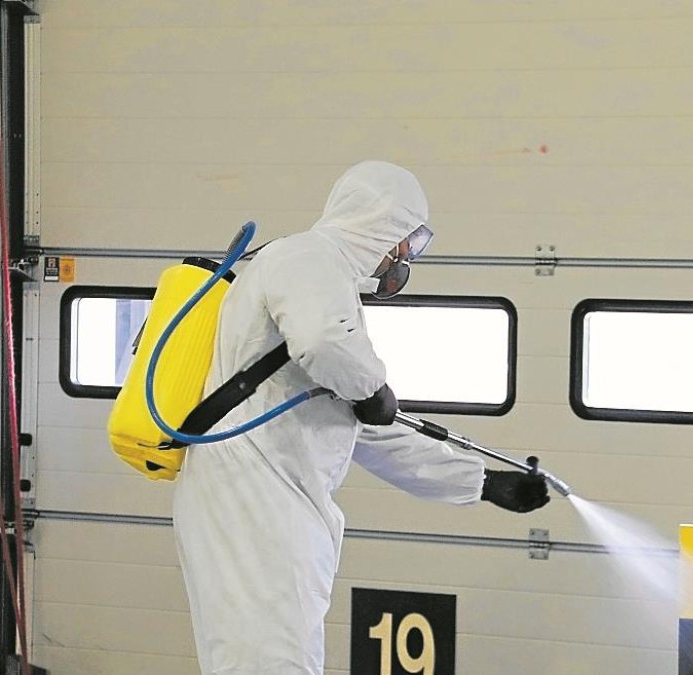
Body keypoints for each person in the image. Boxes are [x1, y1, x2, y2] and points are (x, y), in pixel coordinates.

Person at [172, 160, 550, 675]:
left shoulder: (327, 289)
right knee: (270, 664)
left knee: (268, 661)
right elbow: (329, 351)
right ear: (384, 224)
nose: (403, 257)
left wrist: (480, 482)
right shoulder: (307, 260)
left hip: (271, 501)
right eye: (408, 241)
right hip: (254, 500)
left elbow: (366, 429)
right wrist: (373, 387)